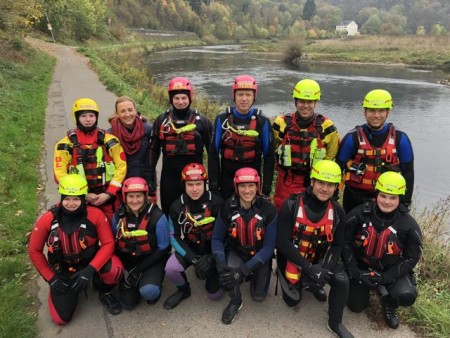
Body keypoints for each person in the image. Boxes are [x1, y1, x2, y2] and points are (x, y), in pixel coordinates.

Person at [28, 174, 123, 325]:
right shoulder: (48, 219)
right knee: (61, 319)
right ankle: (66, 288)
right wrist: (51, 278)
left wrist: (90, 270)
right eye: (67, 198)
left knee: (115, 270)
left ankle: (105, 291)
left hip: (88, 263)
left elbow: (108, 244)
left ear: (83, 198)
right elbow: (34, 250)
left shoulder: (96, 215)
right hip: (63, 270)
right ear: (61, 197)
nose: (71, 203)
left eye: (76, 199)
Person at [276, 160, 354, 338]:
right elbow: (282, 242)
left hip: (319, 260)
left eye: (330, 185)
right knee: (292, 301)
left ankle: (335, 323)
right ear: (312, 182)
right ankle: (294, 279)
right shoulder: (292, 205)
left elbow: (337, 245)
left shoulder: (338, 212)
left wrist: (324, 270)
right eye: (320, 183)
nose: (324, 188)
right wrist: (310, 269)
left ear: (336, 187)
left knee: (342, 280)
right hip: (293, 259)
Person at [343, 171, 422, 329]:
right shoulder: (359, 214)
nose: (387, 201)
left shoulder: (409, 225)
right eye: (383, 196)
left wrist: (385, 277)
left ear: (400, 198)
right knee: (356, 306)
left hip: (390, 270)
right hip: (362, 267)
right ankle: (371, 287)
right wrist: (355, 271)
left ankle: (389, 301)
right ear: (376, 194)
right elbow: (344, 243)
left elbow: (412, 257)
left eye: (393, 198)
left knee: (406, 295)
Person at [211, 167, 277, 324]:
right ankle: (236, 301)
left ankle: (250, 275)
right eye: (242, 186)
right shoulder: (227, 206)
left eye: (251, 186)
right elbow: (217, 238)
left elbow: (269, 247)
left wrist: (243, 271)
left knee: (258, 296)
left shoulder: (269, 209)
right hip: (238, 251)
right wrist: (220, 261)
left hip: (260, 254)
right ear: (236, 187)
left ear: (257, 187)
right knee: (228, 274)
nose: (247, 191)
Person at [336, 89, 414, 213]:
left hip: (386, 201)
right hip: (354, 199)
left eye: (381, 111)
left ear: (388, 112)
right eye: (371, 110)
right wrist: (333, 199)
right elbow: (338, 169)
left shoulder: (401, 139)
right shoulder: (352, 138)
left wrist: (405, 203)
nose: (376, 115)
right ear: (364, 112)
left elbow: (408, 173)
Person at [143, 77, 212, 214]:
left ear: (190, 98)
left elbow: (213, 153)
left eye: (183, 98)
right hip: (170, 177)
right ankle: (171, 235)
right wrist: (149, 176)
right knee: (170, 211)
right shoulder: (162, 120)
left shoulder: (202, 121)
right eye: (177, 98)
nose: (180, 102)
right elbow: (153, 149)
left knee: (196, 211)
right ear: (171, 99)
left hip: (195, 177)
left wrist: (214, 181)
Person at [54, 98, 127, 222]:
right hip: (78, 199)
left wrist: (109, 193)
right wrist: (84, 195)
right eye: (83, 116)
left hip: (108, 197)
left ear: (96, 117)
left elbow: (121, 168)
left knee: (113, 228)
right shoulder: (64, 145)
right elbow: (60, 174)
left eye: (91, 115)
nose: (88, 119)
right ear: (76, 118)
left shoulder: (110, 141)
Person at [164, 163, 224, 309]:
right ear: (184, 185)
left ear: (205, 183)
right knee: (171, 268)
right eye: (190, 184)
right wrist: (194, 259)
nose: (195, 189)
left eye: (199, 184)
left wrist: (211, 258)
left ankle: (210, 271)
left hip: (213, 249)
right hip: (192, 247)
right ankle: (184, 290)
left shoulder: (217, 202)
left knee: (215, 295)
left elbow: (225, 236)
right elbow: (174, 236)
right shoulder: (176, 206)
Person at [272, 78, 339, 209]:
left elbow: (331, 157)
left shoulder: (327, 127)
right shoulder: (281, 123)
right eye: (302, 101)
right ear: (296, 102)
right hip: (285, 180)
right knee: (283, 212)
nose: (305, 106)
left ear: (316, 103)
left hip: (313, 184)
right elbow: (271, 149)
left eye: (310, 102)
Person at [208, 75, 275, 200]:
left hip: (252, 182)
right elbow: (213, 154)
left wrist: (266, 189)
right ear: (234, 96)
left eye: (248, 95)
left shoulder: (263, 121)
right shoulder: (221, 120)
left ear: (254, 96)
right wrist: (213, 186)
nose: (244, 99)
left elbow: (269, 157)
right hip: (227, 181)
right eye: (240, 95)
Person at [111, 177, 170, 309]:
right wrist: (126, 269)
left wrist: (139, 270)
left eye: (139, 196)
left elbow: (164, 248)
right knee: (128, 304)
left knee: (149, 293)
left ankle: (152, 283)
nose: (135, 200)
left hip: (152, 261)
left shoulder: (158, 216)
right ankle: (133, 283)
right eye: (131, 196)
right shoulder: (117, 217)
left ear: (145, 196)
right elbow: (114, 245)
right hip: (129, 262)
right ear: (125, 197)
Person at [108, 96, 152, 180]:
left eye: (130, 110)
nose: (127, 114)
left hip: (145, 180)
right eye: (122, 111)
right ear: (117, 114)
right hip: (121, 180)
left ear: (135, 111)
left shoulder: (149, 130)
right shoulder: (110, 135)